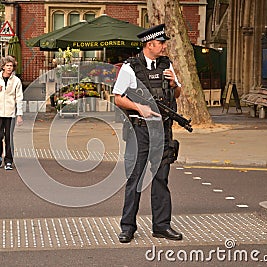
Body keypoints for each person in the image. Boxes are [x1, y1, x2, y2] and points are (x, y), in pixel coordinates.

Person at [113, 24, 183, 243]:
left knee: (161, 178)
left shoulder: (167, 64)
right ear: (149, 44)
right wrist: (139, 107)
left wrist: (174, 83)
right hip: (140, 130)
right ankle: (127, 227)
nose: (164, 46)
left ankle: (161, 226)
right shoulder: (130, 67)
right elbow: (117, 97)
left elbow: (178, 93)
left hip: (162, 130)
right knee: (135, 179)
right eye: (161, 43)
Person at [0, 55, 24, 170]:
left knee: (9, 138)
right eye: (7, 65)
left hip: (10, 113)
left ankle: (8, 160)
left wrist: (19, 115)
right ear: (3, 67)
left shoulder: (16, 81)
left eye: (11, 66)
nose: (9, 68)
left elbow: (19, 98)